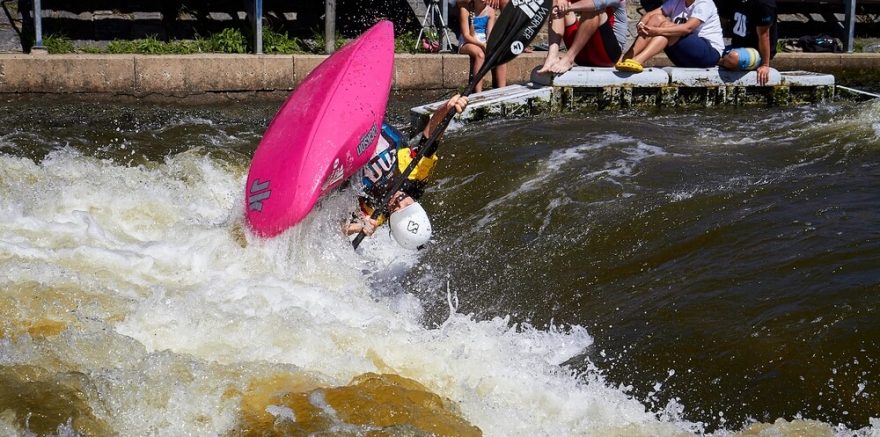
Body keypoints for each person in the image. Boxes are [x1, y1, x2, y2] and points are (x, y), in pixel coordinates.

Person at [343, 94, 469, 249]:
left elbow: (337, 226)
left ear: (391, 220)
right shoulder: (417, 176)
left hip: (345, 142)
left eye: (396, 210)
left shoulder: (375, 213)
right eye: (407, 204)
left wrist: (358, 227)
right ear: (415, 203)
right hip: (369, 117)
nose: (399, 201)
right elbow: (431, 137)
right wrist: (447, 109)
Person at [614, 0, 724, 73]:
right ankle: (627, 58)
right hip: (684, 55)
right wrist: (641, 24)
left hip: (709, 54)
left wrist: (656, 30)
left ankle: (639, 60)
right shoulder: (677, 1)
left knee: (666, 28)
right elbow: (651, 15)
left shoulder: (704, 3)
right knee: (657, 19)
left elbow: (687, 28)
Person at [537, 0, 629, 74]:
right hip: (582, 56)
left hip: (607, 56)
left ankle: (568, 59)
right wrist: (558, 5)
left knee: (594, 9)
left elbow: (596, 3)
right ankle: (552, 57)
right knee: (559, 3)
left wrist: (566, 8)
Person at [717, 0, 777, 86]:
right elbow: (722, 23)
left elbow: (764, 35)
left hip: (757, 51)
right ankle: (719, 59)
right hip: (735, 46)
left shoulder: (764, 4)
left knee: (733, 59)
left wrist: (765, 64)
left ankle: (716, 60)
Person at [457, 0, 507, 92]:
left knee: (500, 54)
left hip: (483, 41)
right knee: (480, 55)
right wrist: (482, 45)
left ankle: (502, 92)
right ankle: (478, 93)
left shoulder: (490, 11)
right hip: (468, 42)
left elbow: (490, 34)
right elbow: (466, 36)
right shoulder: (465, 10)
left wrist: (490, 45)